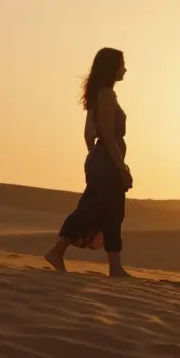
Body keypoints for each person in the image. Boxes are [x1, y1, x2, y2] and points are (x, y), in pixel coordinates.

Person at [45, 47, 133, 277]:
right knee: (92, 209)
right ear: (112, 68)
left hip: (102, 161)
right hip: (106, 162)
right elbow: (104, 132)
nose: (124, 69)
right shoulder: (104, 95)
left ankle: (115, 267)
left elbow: (88, 133)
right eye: (121, 64)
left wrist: (96, 158)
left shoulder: (99, 95)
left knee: (111, 212)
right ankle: (57, 251)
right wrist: (117, 165)